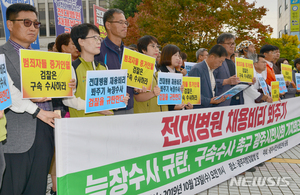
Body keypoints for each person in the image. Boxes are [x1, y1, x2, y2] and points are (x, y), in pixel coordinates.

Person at [0, 3, 66, 194]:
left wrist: (67, 87)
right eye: (26, 22)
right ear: (10, 25)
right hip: (15, 140)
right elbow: (9, 95)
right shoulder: (1, 56)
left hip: (45, 135)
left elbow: (54, 93)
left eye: (36, 24)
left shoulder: (45, 58)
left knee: (37, 189)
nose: (32, 28)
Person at [63, 23, 129, 117]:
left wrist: (119, 100)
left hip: (105, 125)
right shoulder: (72, 68)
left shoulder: (103, 67)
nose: (99, 42)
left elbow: (108, 98)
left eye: (99, 38)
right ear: (81, 42)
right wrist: (96, 106)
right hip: (83, 126)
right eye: (94, 38)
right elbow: (68, 100)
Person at [94, 8, 134, 115]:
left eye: (125, 22)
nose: (125, 26)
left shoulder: (130, 53)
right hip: (108, 110)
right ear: (108, 25)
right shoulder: (98, 51)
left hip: (130, 108)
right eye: (120, 22)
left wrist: (138, 89)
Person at [134, 35, 167, 113]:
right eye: (153, 46)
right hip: (146, 116)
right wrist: (153, 93)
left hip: (160, 114)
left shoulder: (158, 70)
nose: (157, 50)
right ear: (143, 50)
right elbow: (137, 97)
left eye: (157, 46)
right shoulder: (138, 69)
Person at [159, 44, 192, 110]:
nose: (178, 58)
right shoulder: (159, 72)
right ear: (167, 55)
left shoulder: (179, 74)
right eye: (175, 55)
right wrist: (173, 107)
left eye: (179, 56)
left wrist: (187, 106)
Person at [214, 33, 241, 106]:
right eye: (229, 43)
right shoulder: (215, 61)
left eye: (233, 43)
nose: (232, 46)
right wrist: (226, 81)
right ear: (220, 45)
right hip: (221, 103)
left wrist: (248, 81)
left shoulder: (234, 63)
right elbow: (208, 81)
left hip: (237, 102)